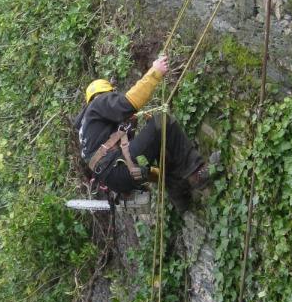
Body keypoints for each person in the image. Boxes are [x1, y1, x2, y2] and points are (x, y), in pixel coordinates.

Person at [75, 55, 210, 214]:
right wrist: (155, 71)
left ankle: (179, 194)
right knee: (161, 122)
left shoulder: (86, 128)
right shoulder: (98, 103)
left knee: (161, 145)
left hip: (117, 178)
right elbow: (129, 103)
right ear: (104, 93)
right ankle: (196, 175)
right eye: (111, 94)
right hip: (118, 168)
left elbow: (122, 147)